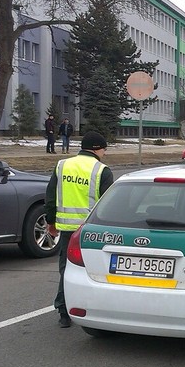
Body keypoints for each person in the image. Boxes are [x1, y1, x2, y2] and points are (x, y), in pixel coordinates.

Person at [45, 131, 113, 327]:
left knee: (68, 270)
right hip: (92, 231)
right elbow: (109, 203)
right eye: (104, 149)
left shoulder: (62, 166)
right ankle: (97, 310)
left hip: (67, 229)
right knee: (95, 272)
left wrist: (51, 222)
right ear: (97, 149)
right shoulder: (102, 170)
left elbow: (50, 197)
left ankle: (64, 312)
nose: (104, 153)